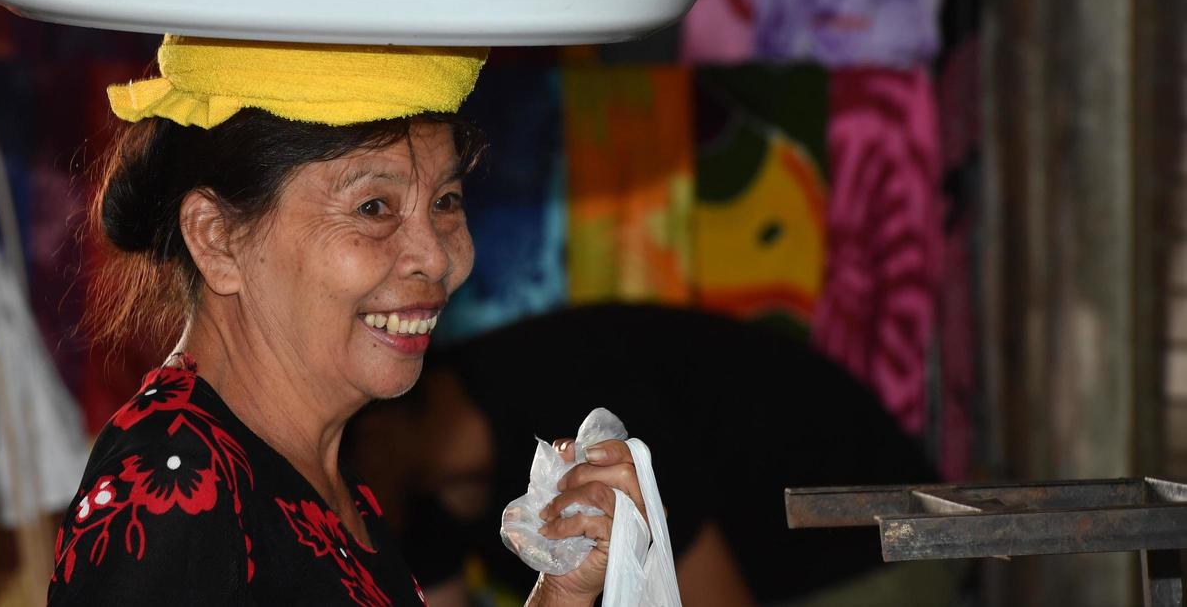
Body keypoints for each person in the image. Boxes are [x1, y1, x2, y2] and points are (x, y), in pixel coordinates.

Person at [48, 38, 653, 606]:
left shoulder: (317, 476)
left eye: (445, 201)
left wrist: (562, 589)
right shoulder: (171, 492)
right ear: (218, 239)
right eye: (373, 208)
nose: (438, 258)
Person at [347, 304, 960, 607]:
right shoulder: (411, 507)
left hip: (879, 548)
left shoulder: (571, 402)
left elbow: (713, 596)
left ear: (369, 428)